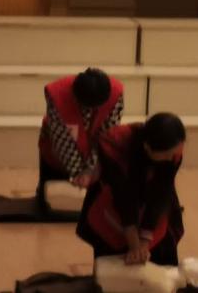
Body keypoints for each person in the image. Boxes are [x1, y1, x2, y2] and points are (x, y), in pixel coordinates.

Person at [77, 113, 186, 266]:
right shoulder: (114, 145)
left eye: (174, 153)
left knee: (162, 260)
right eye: (168, 154)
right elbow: (124, 199)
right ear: (148, 147)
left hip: (154, 201)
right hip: (114, 203)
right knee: (113, 264)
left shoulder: (173, 152)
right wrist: (134, 245)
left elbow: (161, 194)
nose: (171, 158)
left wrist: (145, 241)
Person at [37, 68, 124, 211]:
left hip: (93, 150)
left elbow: (107, 134)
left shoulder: (115, 93)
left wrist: (91, 169)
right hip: (58, 150)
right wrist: (78, 172)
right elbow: (62, 140)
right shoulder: (57, 94)